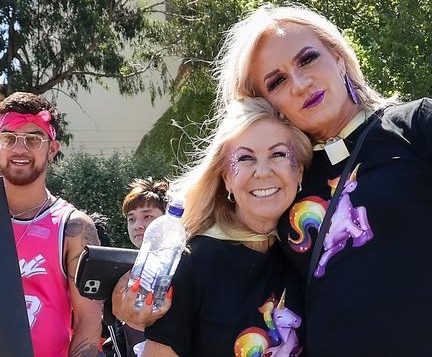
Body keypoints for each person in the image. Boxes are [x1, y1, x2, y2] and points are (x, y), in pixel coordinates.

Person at [114, 3, 432, 356]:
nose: (299, 83)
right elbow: (215, 264)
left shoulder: (426, 126)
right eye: (276, 81)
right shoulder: (284, 177)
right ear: (267, 102)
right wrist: (130, 300)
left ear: (337, 53)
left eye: (307, 59)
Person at [116, 98, 312, 356]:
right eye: (244, 158)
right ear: (227, 178)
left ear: (298, 170)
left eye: (278, 154)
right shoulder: (193, 261)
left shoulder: (310, 253)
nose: (262, 172)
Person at [0, 92, 102, 357]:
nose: (19, 149)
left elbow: (88, 323)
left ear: (52, 149)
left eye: (33, 139)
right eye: (8, 138)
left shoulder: (74, 228)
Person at [105, 179, 170, 357]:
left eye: (147, 216)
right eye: (131, 219)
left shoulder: (183, 267)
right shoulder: (125, 272)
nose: (137, 225)